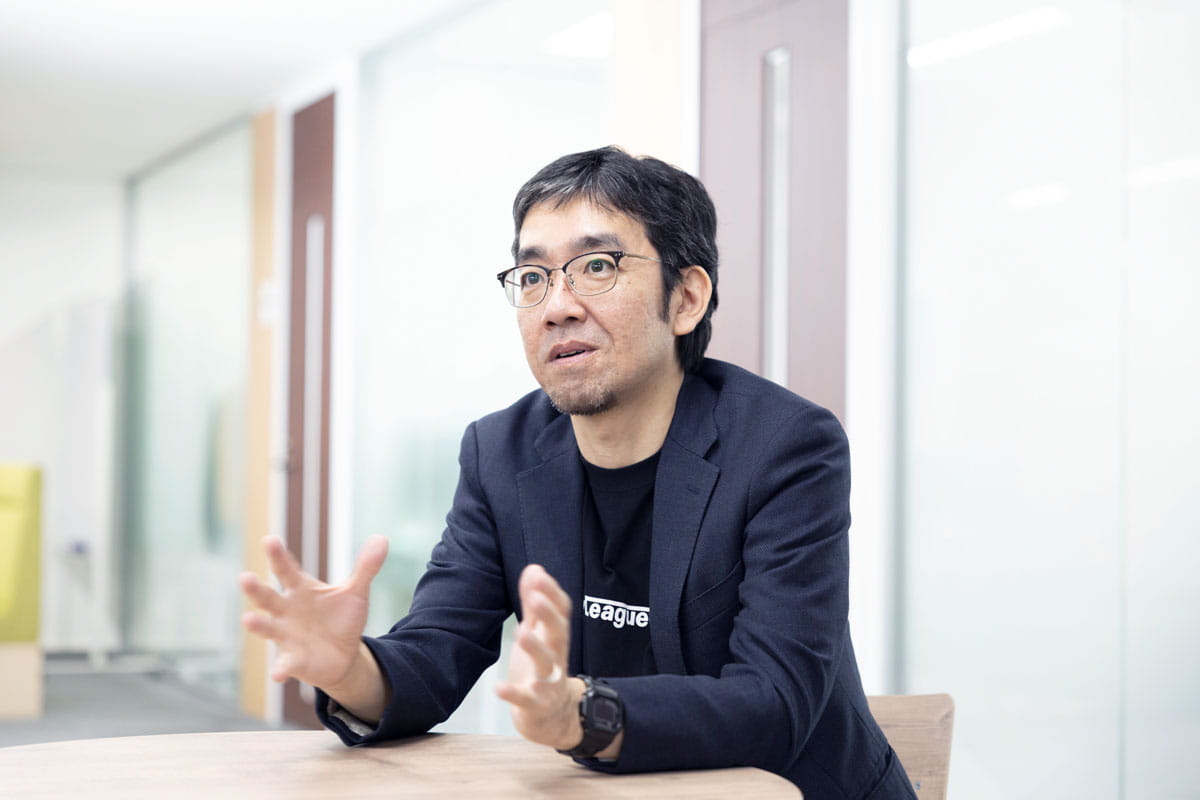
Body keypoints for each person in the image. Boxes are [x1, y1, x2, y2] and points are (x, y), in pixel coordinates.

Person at [239, 146, 916, 799]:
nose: (556, 305)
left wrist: (580, 714)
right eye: (533, 277)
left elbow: (774, 702)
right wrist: (351, 668)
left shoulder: (784, 447)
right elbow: (438, 649)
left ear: (686, 298)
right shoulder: (499, 453)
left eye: (596, 266)